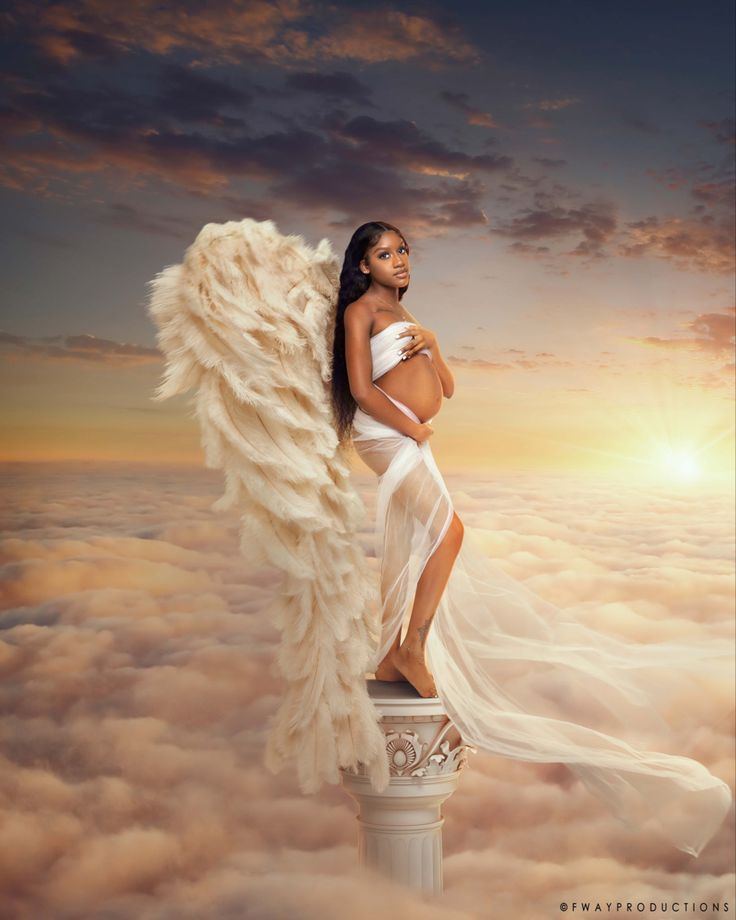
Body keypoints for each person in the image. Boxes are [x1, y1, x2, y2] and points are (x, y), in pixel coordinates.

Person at [148, 215, 732, 854]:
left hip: (410, 434)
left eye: (403, 250)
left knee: (423, 536)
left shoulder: (408, 318)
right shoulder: (359, 314)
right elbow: (361, 389)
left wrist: (432, 346)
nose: (398, 260)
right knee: (449, 532)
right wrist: (411, 426)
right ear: (363, 264)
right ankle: (411, 648)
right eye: (384, 253)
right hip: (386, 435)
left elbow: (448, 390)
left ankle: (397, 649)